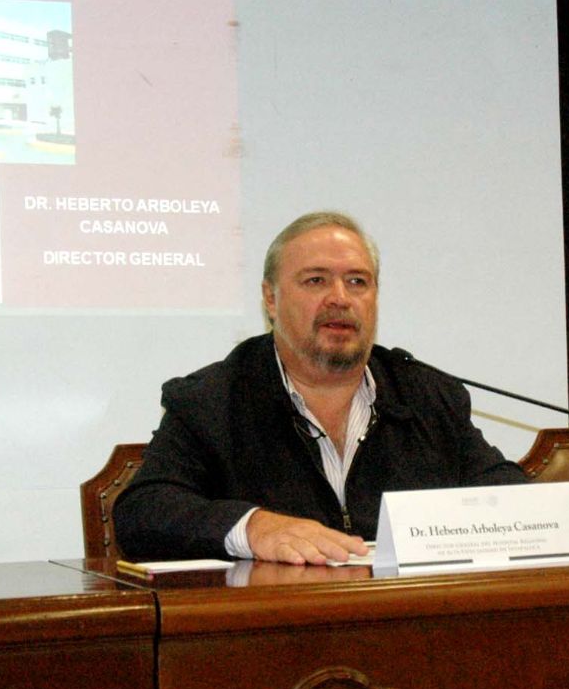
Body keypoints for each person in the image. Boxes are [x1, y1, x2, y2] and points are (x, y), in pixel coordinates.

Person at [112, 211, 527, 564]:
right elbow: (143, 512)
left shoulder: (426, 395)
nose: (340, 298)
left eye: (358, 282)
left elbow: (513, 497)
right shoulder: (212, 400)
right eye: (315, 281)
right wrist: (252, 527)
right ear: (270, 300)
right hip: (273, 633)